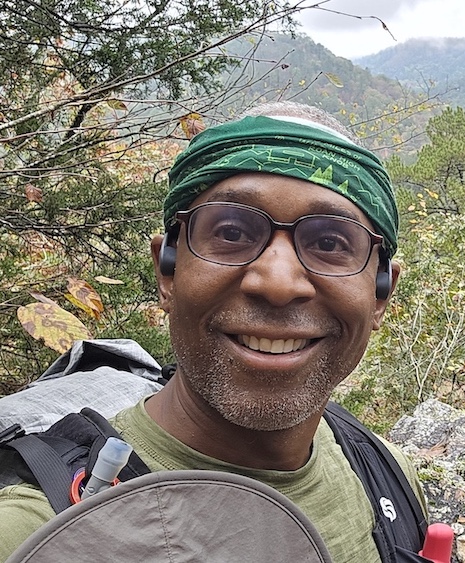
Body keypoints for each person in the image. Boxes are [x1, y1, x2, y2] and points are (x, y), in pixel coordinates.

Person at [0, 101, 426, 562]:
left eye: (329, 242)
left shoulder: (388, 476)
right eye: (231, 233)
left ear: (380, 294)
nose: (278, 283)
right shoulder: (34, 536)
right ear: (167, 272)